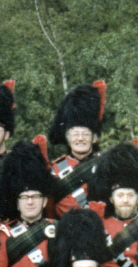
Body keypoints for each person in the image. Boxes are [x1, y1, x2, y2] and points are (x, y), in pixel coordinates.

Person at [0, 141, 56, 267]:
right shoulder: (4, 233)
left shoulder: (56, 229)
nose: (30, 202)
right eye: (24, 197)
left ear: (44, 201)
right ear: (17, 202)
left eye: (35, 197)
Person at [47, 81, 106, 216]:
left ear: (94, 138)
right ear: (67, 138)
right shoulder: (55, 170)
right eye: (75, 134)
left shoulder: (104, 165)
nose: (80, 138)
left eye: (85, 134)